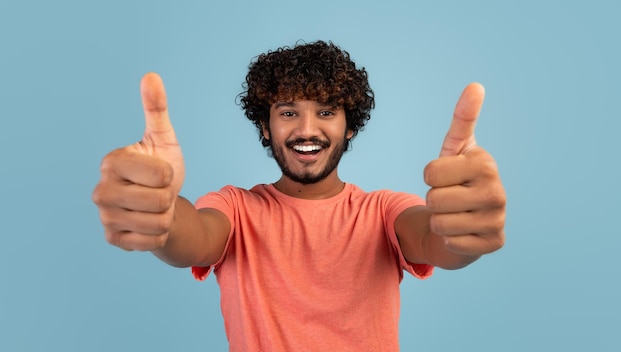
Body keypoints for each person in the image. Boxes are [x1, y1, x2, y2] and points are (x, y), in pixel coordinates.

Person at [92, 41, 506, 351]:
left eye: (326, 112)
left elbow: (436, 240)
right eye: (288, 112)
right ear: (266, 127)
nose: (307, 129)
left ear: (350, 127)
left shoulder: (383, 210)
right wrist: (161, 213)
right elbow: (193, 236)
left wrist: (462, 231)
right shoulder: (235, 208)